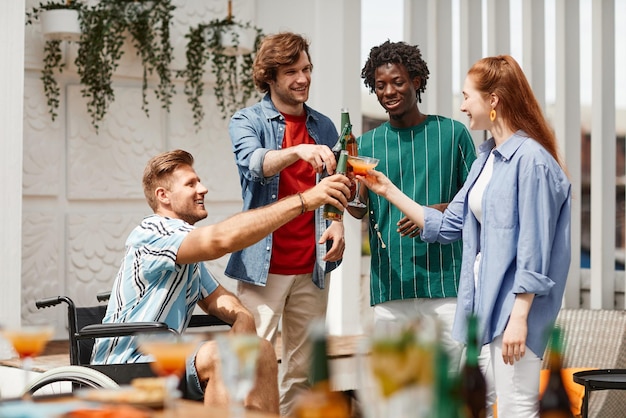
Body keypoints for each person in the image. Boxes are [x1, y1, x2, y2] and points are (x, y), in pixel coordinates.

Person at [358, 55, 571, 417]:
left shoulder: (532, 161)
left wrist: (519, 317)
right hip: (484, 313)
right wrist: (387, 190)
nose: (461, 105)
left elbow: (534, 249)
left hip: (514, 313)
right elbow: (447, 225)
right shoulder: (486, 159)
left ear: (494, 100)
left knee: (518, 407)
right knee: (475, 406)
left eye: (467, 96)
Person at [91, 149, 351, 414]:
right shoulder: (153, 233)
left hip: (164, 362)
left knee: (260, 348)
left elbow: (216, 298)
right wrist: (305, 200)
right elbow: (220, 240)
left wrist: (243, 317)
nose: (203, 189)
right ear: (163, 196)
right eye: (191, 184)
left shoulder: (185, 255)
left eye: (199, 181)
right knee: (221, 356)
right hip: (123, 366)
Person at [225, 31, 345, 416]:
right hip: (264, 268)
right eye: (292, 71)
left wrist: (337, 221)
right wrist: (296, 150)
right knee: (251, 368)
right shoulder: (247, 120)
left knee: (303, 372)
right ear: (270, 77)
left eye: (307, 69)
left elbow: (336, 186)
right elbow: (254, 164)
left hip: (313, 268)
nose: (303, 78)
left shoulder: (324, 126)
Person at [348, 40, 477, 373]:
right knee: (398, 395)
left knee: (447, 391)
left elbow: (479, 200)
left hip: (446, 285)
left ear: (417, 81)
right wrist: (349, 191)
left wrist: (433, 212)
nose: (389, 91)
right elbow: (360, 210)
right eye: (380, 85)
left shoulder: (453, 133)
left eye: (398, 81)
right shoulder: (365, 144)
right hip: (392, 287)